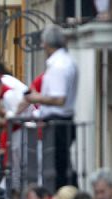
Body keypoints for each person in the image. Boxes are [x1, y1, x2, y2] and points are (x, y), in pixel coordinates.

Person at [22, 24, 78, 190]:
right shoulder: (66, 62)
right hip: (61, 120)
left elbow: (59, 99)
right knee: (59, 164)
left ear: (47, 43)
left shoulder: (59, 66)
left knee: (57, 166)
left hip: (57, 121)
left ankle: (63, 194)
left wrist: (34, 98)